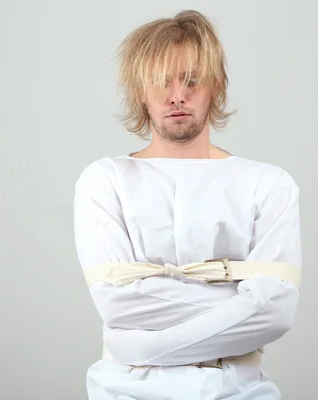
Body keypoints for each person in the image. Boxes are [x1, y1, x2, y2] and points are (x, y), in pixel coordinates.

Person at [73, 9, 302, 400]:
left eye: (191, 80)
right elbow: (118, 304)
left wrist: (140, 347)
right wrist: (234, 303)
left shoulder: (268, 184)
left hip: (240, 390)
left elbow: (275, 311)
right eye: (161, 82)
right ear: (139, 92)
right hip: (124, 390)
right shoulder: (104, 180)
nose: (177, 95)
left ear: (215, 86)